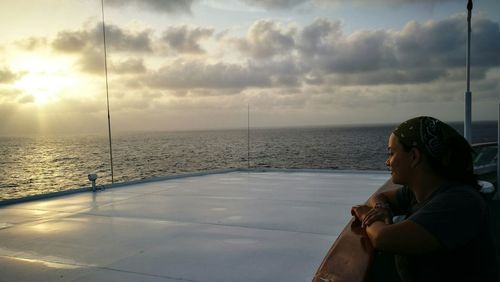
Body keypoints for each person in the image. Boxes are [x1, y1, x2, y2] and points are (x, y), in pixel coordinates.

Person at [351, 116, 499, 282]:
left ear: (414, 156)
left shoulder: (458, 202)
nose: (387, 161)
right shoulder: (421, 191)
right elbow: (381, 197)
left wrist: (365, 214)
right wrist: (380, 208)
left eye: (392, 153)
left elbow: (382, 238)